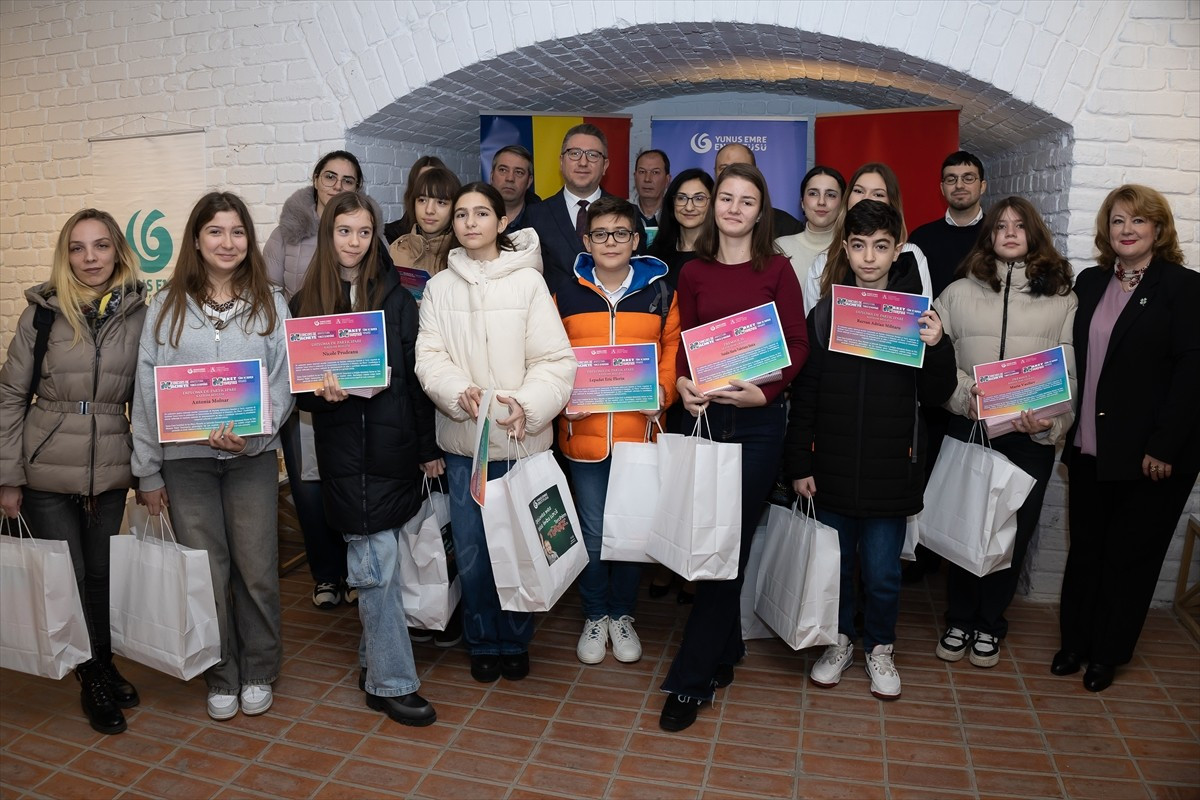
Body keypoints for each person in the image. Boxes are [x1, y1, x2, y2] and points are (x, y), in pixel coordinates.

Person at [132, 192, 294, 722]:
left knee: (257, 570)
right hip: (186, 464)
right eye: (216, 232)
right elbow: (146, 393)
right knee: (206, 572)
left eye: (237, 232)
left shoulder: (271, 301)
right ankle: (221, 673)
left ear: (249, 239)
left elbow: (283, 381)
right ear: (197, 240)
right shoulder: (165, 307)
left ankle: (259, 670)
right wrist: (147, 470)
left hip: (251, 459)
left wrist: (256, 435)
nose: (228, 242)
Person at [785, 200, 956, 700]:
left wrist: (938, 345)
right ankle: (839, 641)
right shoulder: (825, 314)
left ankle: (880, 646)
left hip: (891, 470)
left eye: (880, 247)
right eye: (859, 246)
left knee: (882, 574)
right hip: (832, 469)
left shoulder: (917, 316)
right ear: (845, 248)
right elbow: (807, 394)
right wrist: (799, 462)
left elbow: (937, 394)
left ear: (897, 250)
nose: (868, 257)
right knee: (836, 570)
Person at [658, 163, 809, 732]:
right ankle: (727, 649)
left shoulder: (779, 269)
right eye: (727, 198)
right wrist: (683, 384)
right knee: (715, 541)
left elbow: (798, 343)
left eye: (747, 201)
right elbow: (685, 342)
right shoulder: (693, 272)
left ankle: (690, 679)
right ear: (713, 204)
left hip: (758, 424)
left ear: (760, 210)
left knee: (727, 547)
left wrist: (764, 393)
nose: (735, 209)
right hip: (705, 421)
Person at [415, 182, 576, 684]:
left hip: (521, 445)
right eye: (462, 214)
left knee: (525, 548)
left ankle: (516, 638)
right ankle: (483, 639)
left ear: (501, 222)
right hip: (466, 446)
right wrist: (455, 390)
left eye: (481, 213)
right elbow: (428, 356)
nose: (470, 222)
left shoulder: (529, 283)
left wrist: (527, 405)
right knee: (474, 553)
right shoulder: (440, 287)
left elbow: (555, 360)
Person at [291, 191, 442, 726]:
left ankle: (371, 662)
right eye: (343, 231)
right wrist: (321, 395)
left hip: (393, 452)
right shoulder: (305, 302)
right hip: (344, 459)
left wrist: (427, 450)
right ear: (328, 234)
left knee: (381, 568)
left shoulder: (397, 298)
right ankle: (391, 682)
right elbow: (300, 391)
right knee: (375, 569)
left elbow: (416, 381)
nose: (353, 242)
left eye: (362, 231)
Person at [0, 209, 148, 735]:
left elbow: (148, 399)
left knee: (102, 574)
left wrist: (147, 472)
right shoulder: (42, 315)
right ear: (65, 256)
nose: (90, 258)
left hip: (108, 468)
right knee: (71, 576)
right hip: (45, 469)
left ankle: (103, 661)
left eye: (101, 246)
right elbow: (10, 395)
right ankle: (92, 678)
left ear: (118, 252)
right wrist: (8, 477)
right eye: (78, 248)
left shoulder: (141, 315)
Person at [1054, 184, 1200, 693]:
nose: (1127, 230)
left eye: (1138, 220)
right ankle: (1074, 643)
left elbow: (1192, 374)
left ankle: (1107, 654)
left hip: (1150, 456)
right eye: (1118, 221)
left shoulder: (1183, 287)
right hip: (1091, 446)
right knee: (1086, 551)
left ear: (1158, 229)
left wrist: (1164, 446)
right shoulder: (1091, 282)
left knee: (1130, 559)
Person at [932, 197, 1077, 669]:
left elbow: (1071, 375)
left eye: (1019, 225)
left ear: (1034, 234)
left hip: (1028, 437)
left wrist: (1051, 425)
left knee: (1011, 535)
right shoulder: (957, 292)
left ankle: (990, 623)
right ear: (988, 235)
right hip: (969, 427)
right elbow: (935, 361)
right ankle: (959, 618)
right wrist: (964, 398)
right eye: (1000, 226)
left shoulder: (1063, 297)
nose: (1010, 233)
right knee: (964, 524)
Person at [554, 196, 681, 666]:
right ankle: (595, 614)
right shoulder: (565, 293)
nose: (611, 242)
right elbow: (550, 356)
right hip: (583, 434)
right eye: (601, 234)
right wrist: (562, 403)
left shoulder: (661, 292)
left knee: (631, 530)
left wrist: (663, 393)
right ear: (587, 241)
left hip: (640, 435)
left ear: (636, 240)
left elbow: (672, 351)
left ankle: (623, 614)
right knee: (591, 531)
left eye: (621, 233)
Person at [264, 149, 361, 610]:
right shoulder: (287, 233)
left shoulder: (363, 231)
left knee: (347, 474)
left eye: (348, 180)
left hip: (353, 372)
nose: (338, 186)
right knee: (307, 480)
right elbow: (265, 293)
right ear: (316, 180)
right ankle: (326, 575)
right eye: (330, 177)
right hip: (300, 369)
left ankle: (356, 570)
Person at [904, 151, 988, 584]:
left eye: (968, 178)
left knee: (968, 472)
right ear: (941, 188)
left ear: (982, 186)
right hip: (931, 363)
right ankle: (923, 553)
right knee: (929, 461)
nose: (959, 185)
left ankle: (957, 557)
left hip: (978, 364)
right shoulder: (922, 238)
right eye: (951, 178)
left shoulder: (996, 234)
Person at [525, 123, 646, 294]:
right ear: (561, 161)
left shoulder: (628, 212)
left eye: (592, 155)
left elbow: (638, 272)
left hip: (614, 308)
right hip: (552, 309)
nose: (583, 162)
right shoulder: (535, 215)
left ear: (605, 165)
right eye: (574, 153)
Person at [803, 162, 933, 316]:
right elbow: (814, 322)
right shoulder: (824, 261)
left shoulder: (911, 255)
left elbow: (922, 316)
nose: (866, 199)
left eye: (878, 194)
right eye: (858, 191)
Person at [775, 165, 846, 288]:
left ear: (842, 204)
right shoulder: (780, 247)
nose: (821, 202)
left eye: (831, 195)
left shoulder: (851, 250)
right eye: (813, 193)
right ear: (802, 203)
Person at [713, 143, 803, 237]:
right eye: (724, 168)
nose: (732, 174)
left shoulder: (787, 228)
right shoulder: (704, 219)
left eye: (741, 167)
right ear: (715, 173)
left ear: (756, 172)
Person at [647, 168, 715, 289]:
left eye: (699, 199)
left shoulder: (721, 255)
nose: (689, 207)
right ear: (672, 203)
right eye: (681, 198)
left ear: (713, 203)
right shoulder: (655, 257)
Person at [388, 167, 462, 276]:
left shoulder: (465, 257)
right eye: (422, 200)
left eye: (441, 202)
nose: (429, 210)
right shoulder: (395, 250)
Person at [384, 155, 447, 243]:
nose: (428, 186)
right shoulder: (390, 235)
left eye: (434, 179)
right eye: (422, 180)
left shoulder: (459, 237)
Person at [489, 144, 539, 231]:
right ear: (491, 176)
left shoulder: (544, 221)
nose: (510, 178)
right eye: (503, 170)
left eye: (519, 172)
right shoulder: (473, 217)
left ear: (529, 181)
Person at [633, 149, 671, 229]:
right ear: (635, 177)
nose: (647, 179)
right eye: (642, 172)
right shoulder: (621, 211)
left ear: (667, 180)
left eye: (655, 172)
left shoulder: (676, 213)